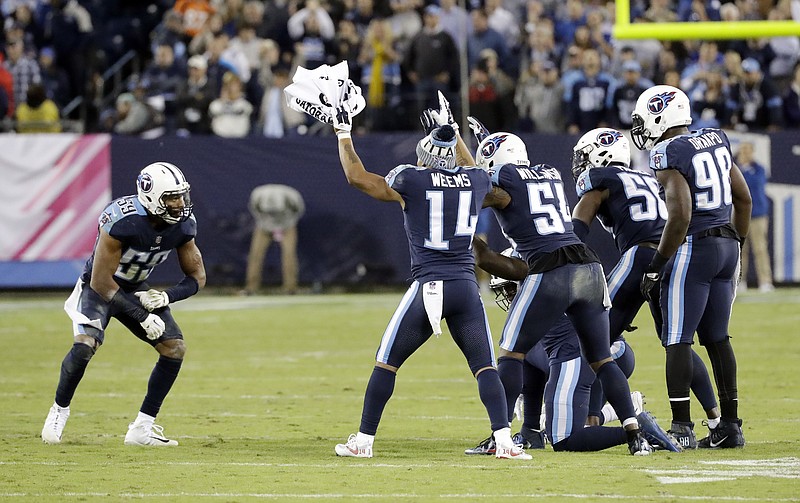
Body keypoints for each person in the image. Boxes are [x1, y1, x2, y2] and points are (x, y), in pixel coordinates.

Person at [330, 101, 530, 460]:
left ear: (425, 157)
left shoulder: (411, 179)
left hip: (429, 286)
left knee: (386, 361)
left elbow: (357, 177)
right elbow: (474, 168)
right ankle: (504, 441)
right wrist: (453, 132)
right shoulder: (473, 180)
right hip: (466, 288)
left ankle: (363, 440)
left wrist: (344, 133)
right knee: (484, 366)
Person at [465, 119, 652, 455]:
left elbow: (474, 179)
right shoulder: (548, 173)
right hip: (590, 266)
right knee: (601, 358)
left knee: (510, 354)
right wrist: (485, 139)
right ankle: (636, 432)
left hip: (552, 269)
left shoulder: (504, 181)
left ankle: (501, 436)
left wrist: (456, 143)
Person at [570, 127, 721, 447]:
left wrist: (565, 254)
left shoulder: (600, 179)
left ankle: (591, 418)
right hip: (668, 257)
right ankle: (716, 420)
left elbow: (577, 228)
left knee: (595, 341)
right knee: (676, 342)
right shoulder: (647, 177)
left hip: (638, 255)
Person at [41, 162, 206, 447]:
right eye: (172, 197)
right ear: (153, 198)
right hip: (98, 287)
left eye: (182, 196)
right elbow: (101, 283)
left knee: (174, 348)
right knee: (84, 346)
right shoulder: (122, 221)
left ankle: (142, 428)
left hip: (135, 288)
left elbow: (197, 277)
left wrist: (167, 296)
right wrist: (142, 317)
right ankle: (58, 411)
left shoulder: (183, 225)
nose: (181, 204)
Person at [465, 242, 679, 454]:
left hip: (580, 358)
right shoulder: (566, 279)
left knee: (564, 439)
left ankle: (639, 432)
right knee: (528, 359)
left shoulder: (545, 289)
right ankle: (532, 430)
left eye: (512, 288)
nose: (510, 296)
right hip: (607, 353)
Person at [632, 84, 751, 449]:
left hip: (695, 247)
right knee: (717, 338)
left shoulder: (668, 151)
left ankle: (681, 426)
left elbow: (680, 215)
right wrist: (737, 245)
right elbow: (743, 199)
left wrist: (657, 264)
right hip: (727, 243)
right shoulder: (715, 138)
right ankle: (730, 426)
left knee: (677, 338)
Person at [242, 184, 305, 295]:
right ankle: (251, 288)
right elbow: (254, 210)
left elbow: (299, 211)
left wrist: (288, 224)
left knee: (289, 255)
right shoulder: (257, 195)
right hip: (264, 226)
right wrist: (265, 223)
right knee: (255, 255)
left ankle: (291, 288)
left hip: (287, 225)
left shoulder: (292, 197)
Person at [736, 142, 774, 292]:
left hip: (758, 214)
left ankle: (765, 281)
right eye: (743, 150)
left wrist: (744, 171)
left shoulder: (759, 169)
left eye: (748, 150)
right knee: (740, 250)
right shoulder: (734, 169)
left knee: (760, 249)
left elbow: (754, 184)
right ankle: (740, 281)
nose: (745, 153)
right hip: (739, 215)